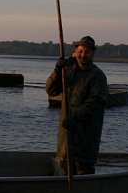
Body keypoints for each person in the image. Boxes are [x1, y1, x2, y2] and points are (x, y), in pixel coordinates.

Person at [46, 35, 109, 175]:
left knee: (83, 175)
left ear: (92, 54)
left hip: (85, 140)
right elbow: (51, 90)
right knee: (64, 172)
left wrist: (75, 116)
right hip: (66, 141)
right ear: (75, 52)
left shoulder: (98, 76)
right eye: (80, 51)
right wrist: (57, 70)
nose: (83, 55)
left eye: (87, 52)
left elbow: (96, 102)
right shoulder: (67, 71)